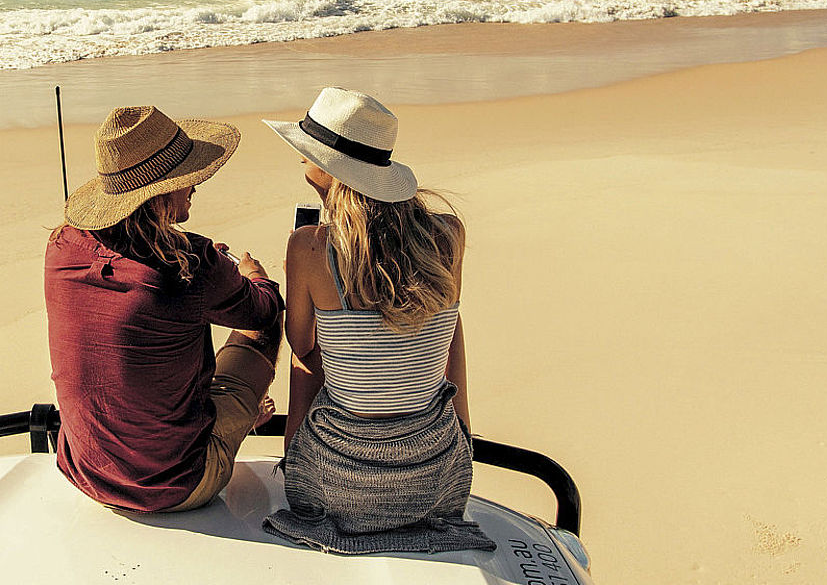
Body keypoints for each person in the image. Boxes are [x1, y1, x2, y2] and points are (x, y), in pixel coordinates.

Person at [260, 86, 494, 554]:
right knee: (443, 319)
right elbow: (448, 337)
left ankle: (296, 461)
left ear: (325, 167)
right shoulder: (448, 235)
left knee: (312, 356)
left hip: (338, 483)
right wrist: (462, 436)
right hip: (435, 476)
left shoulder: (309, 247)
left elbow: (302, 346)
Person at [46, 104, 284, 513]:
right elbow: (260, 310)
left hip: (86, 473)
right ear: (160, 190)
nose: (197, 186)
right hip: (179, 485)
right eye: (188, 178)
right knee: (264, 326)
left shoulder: (60, 246)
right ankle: (239, 415)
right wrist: (254, 276)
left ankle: (237, 411)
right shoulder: (190, 262)